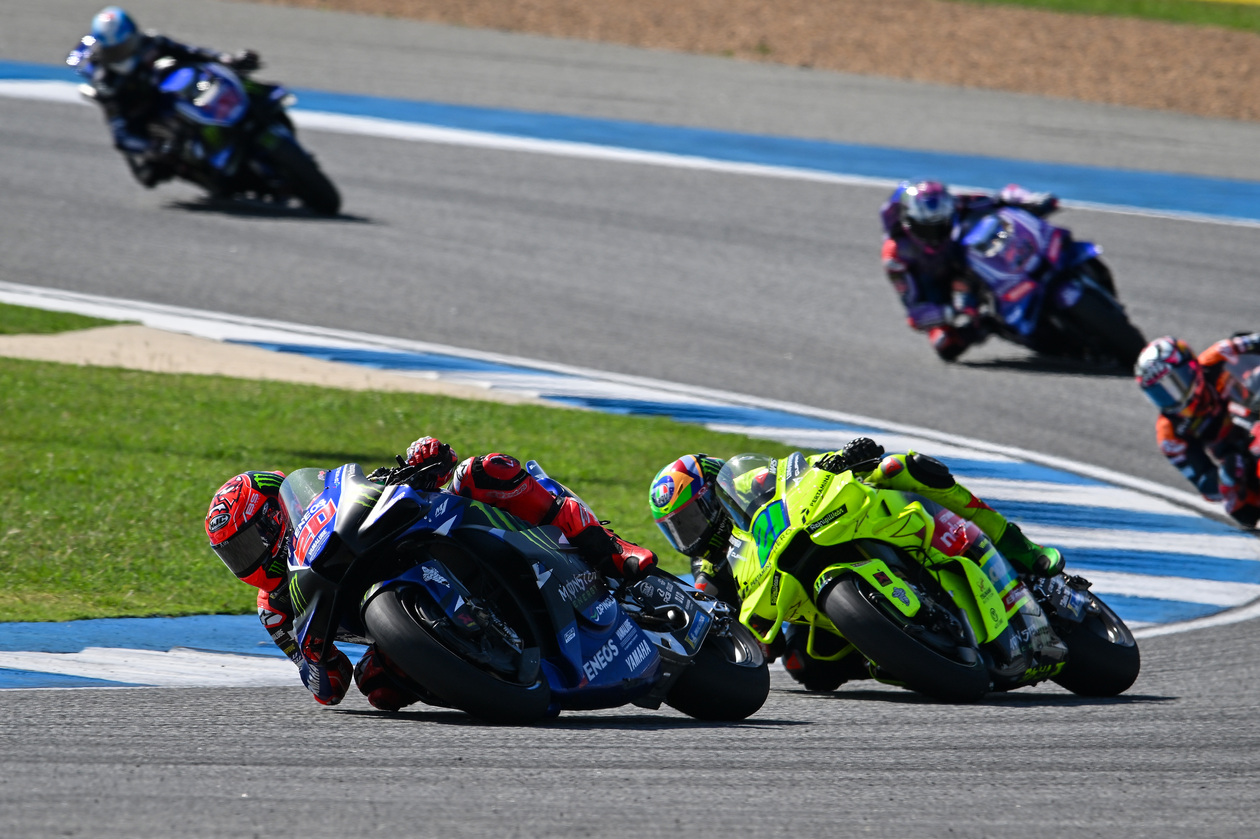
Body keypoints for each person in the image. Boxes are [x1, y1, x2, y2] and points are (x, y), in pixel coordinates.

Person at [206, 436, 657, 711]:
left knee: (483, 471)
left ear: (275, 516)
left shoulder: (326, 494)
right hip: (405, 625)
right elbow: (330, 687)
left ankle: (611, 550)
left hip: (428, 537)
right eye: (235, 555)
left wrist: (423, 460)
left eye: (249, 542)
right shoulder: (275, 612)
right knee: (377, 687)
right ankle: (483, 676)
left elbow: (398, 480)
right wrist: (315, 663)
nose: (249, 560)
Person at [649, 438, 1065, 691]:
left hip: (835, 523)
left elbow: (798, 474)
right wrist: (746, 640)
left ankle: (1019, 547)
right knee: (807, 667)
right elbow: (717, 623)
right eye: (677, 529)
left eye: (691, 518)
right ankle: (905, 653)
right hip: (813, 605)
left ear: (711, 495)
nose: (690, 534)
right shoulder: (710, 569)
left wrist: (842, 457)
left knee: (902, 467)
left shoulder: (749, 483)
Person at [71, 7, 260, 187]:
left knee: (228, 76)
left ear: (134, 36)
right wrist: (152, 147)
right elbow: (122, 136)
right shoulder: (108, 83)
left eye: (125, 47)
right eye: (115, 52)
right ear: (104, 52)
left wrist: (226, 59)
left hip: (169, 94)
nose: (122, 55)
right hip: (144, 118)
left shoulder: (151, 42)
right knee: (153, 173)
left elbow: (191, 52)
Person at [880, 180, 1059, 361]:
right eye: (926, 229)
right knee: (945, 344)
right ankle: (989, 324)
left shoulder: (957, 203)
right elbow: (915, 314)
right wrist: (951, 310)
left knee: (1001, 223)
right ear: (908, 222)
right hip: (939, 289)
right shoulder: (896, 255)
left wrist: (1030, 200)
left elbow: (1002, 196)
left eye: (940, 226)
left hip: (966, 261)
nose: (934, 237)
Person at [1135, 334, 1260, 527]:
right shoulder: (1170, 435)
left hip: (1253, 409)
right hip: (1238, 454)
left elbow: (1253, 341)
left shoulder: (1216, 356)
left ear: (1191, 367)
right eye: (1161, 393)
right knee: (1239, 508)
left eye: (1176, 383)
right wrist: (1225, 478)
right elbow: (1204, 484)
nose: (1172, 396)